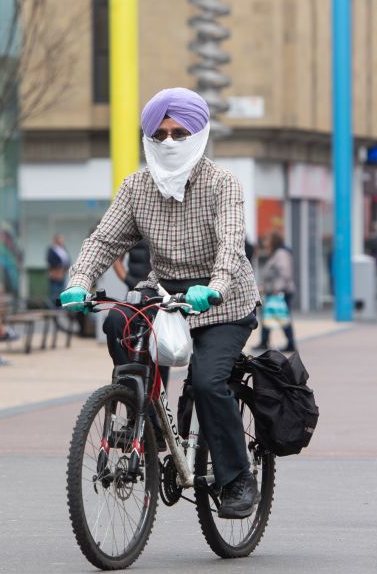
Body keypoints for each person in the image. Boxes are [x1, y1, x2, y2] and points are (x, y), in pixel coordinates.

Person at [61, 87, 261, 519]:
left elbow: (231, 244)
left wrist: (216, 285)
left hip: (221, 301)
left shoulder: (222, 184)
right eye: (160, 133)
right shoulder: (136, 186)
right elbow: (104, 239)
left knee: (208, 382)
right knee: (117, 321)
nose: (169, 141)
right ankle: (141, 415)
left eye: (180, 132)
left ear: (200, 134)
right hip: (166, 292)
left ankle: (237, 478)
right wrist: (79, 280)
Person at [254, 231, 297, 352]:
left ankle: (290, 343)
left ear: (273, 241)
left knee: (282, 316)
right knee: (271, 316)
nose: (265, 243)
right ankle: (264, 341)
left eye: (268, 240)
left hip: (280, 292)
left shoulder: (281, 254)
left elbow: (285, 274)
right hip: (275, 291)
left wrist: (276, 289)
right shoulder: (275, 254)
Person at [46, 233, 71, 304]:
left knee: (62, 291)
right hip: (54, 274)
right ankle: (53, 307)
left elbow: (68, 260)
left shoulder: (63, 249)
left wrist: (64, 269)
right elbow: (50, 260)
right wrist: (57, 268)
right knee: (54, 292)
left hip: (62, 274)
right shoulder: (52, 249)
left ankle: (60, 306)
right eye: (60, 239)